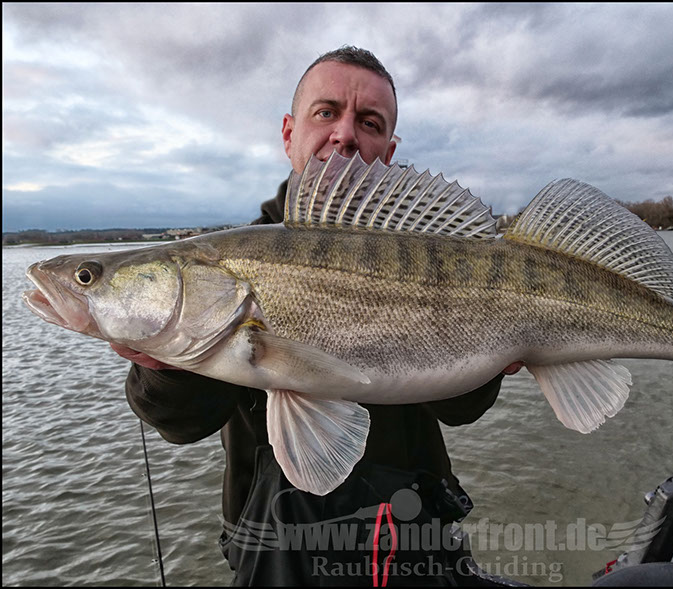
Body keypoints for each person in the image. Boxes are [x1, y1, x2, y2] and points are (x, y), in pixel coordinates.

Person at [114, 46, 522, 586]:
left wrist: (500, 346)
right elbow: (182, 423)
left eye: (369, 122)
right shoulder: (221, 264)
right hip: (277, 547)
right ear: (289, 133)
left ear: (389, 150)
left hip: (413, 532)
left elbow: (462, 406)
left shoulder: (430, 249)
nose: (346, 133)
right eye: (326, 112)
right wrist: (162, 367)